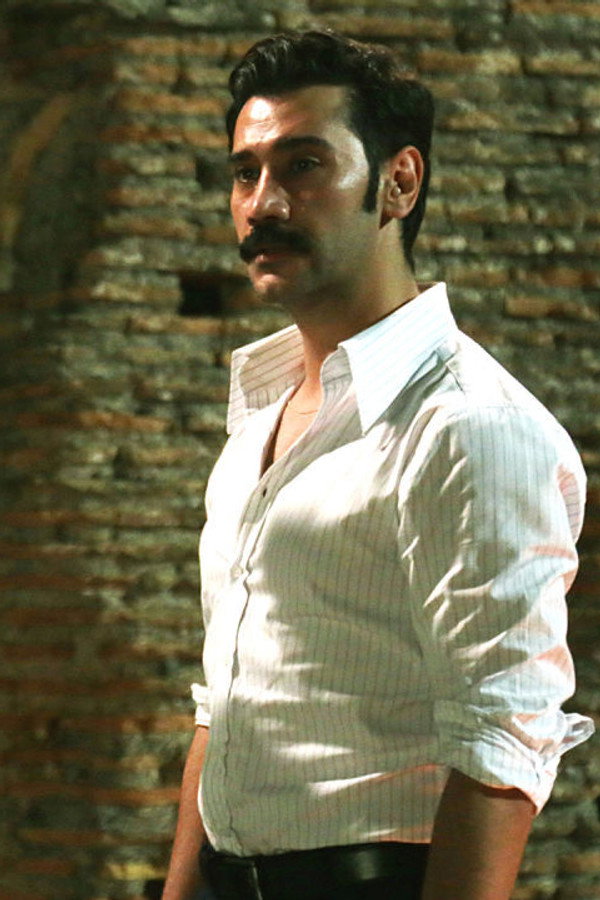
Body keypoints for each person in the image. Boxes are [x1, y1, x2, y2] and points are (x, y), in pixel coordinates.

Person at [162, 29, 594, 900]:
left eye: (303, 166)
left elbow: (503, 741)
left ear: (399, 182)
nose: (261, 204)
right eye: (244, 173)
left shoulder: (469, 426)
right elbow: (227, 702)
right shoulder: (261, 420)